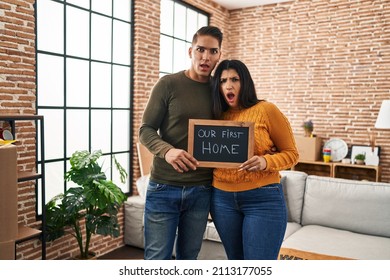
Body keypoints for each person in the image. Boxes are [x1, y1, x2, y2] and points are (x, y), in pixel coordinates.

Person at [139, 26, 223, 260]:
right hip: (164, 186)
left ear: (219, 55)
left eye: (213, 51)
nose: (206, 57)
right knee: (157, 259)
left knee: (189, 259)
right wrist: (167, 151)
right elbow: (145, 130)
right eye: (201, 49)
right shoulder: (168, 84)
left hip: (202, 189)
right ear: (190, 51)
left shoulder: (221, 89)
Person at [210, 59, 299, 260]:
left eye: (235, 79)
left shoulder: (267, 110)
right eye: (223, 81)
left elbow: (292, 154)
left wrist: (265, 162)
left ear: (246, 82)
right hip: (221, 200)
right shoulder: (214, 115)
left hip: (262, 199)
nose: (229, 85)